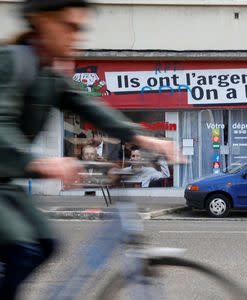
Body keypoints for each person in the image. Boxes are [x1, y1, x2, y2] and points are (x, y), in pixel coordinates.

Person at [0, 1, 184, 298]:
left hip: (5, 185)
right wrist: (41, 162)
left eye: (81, 28)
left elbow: (92, 108)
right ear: (42, 22)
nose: (78, 36)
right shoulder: (11, 61)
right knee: (24, 248)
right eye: (70, 26)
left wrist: (144, 138)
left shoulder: (49, 76)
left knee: (46, 243)